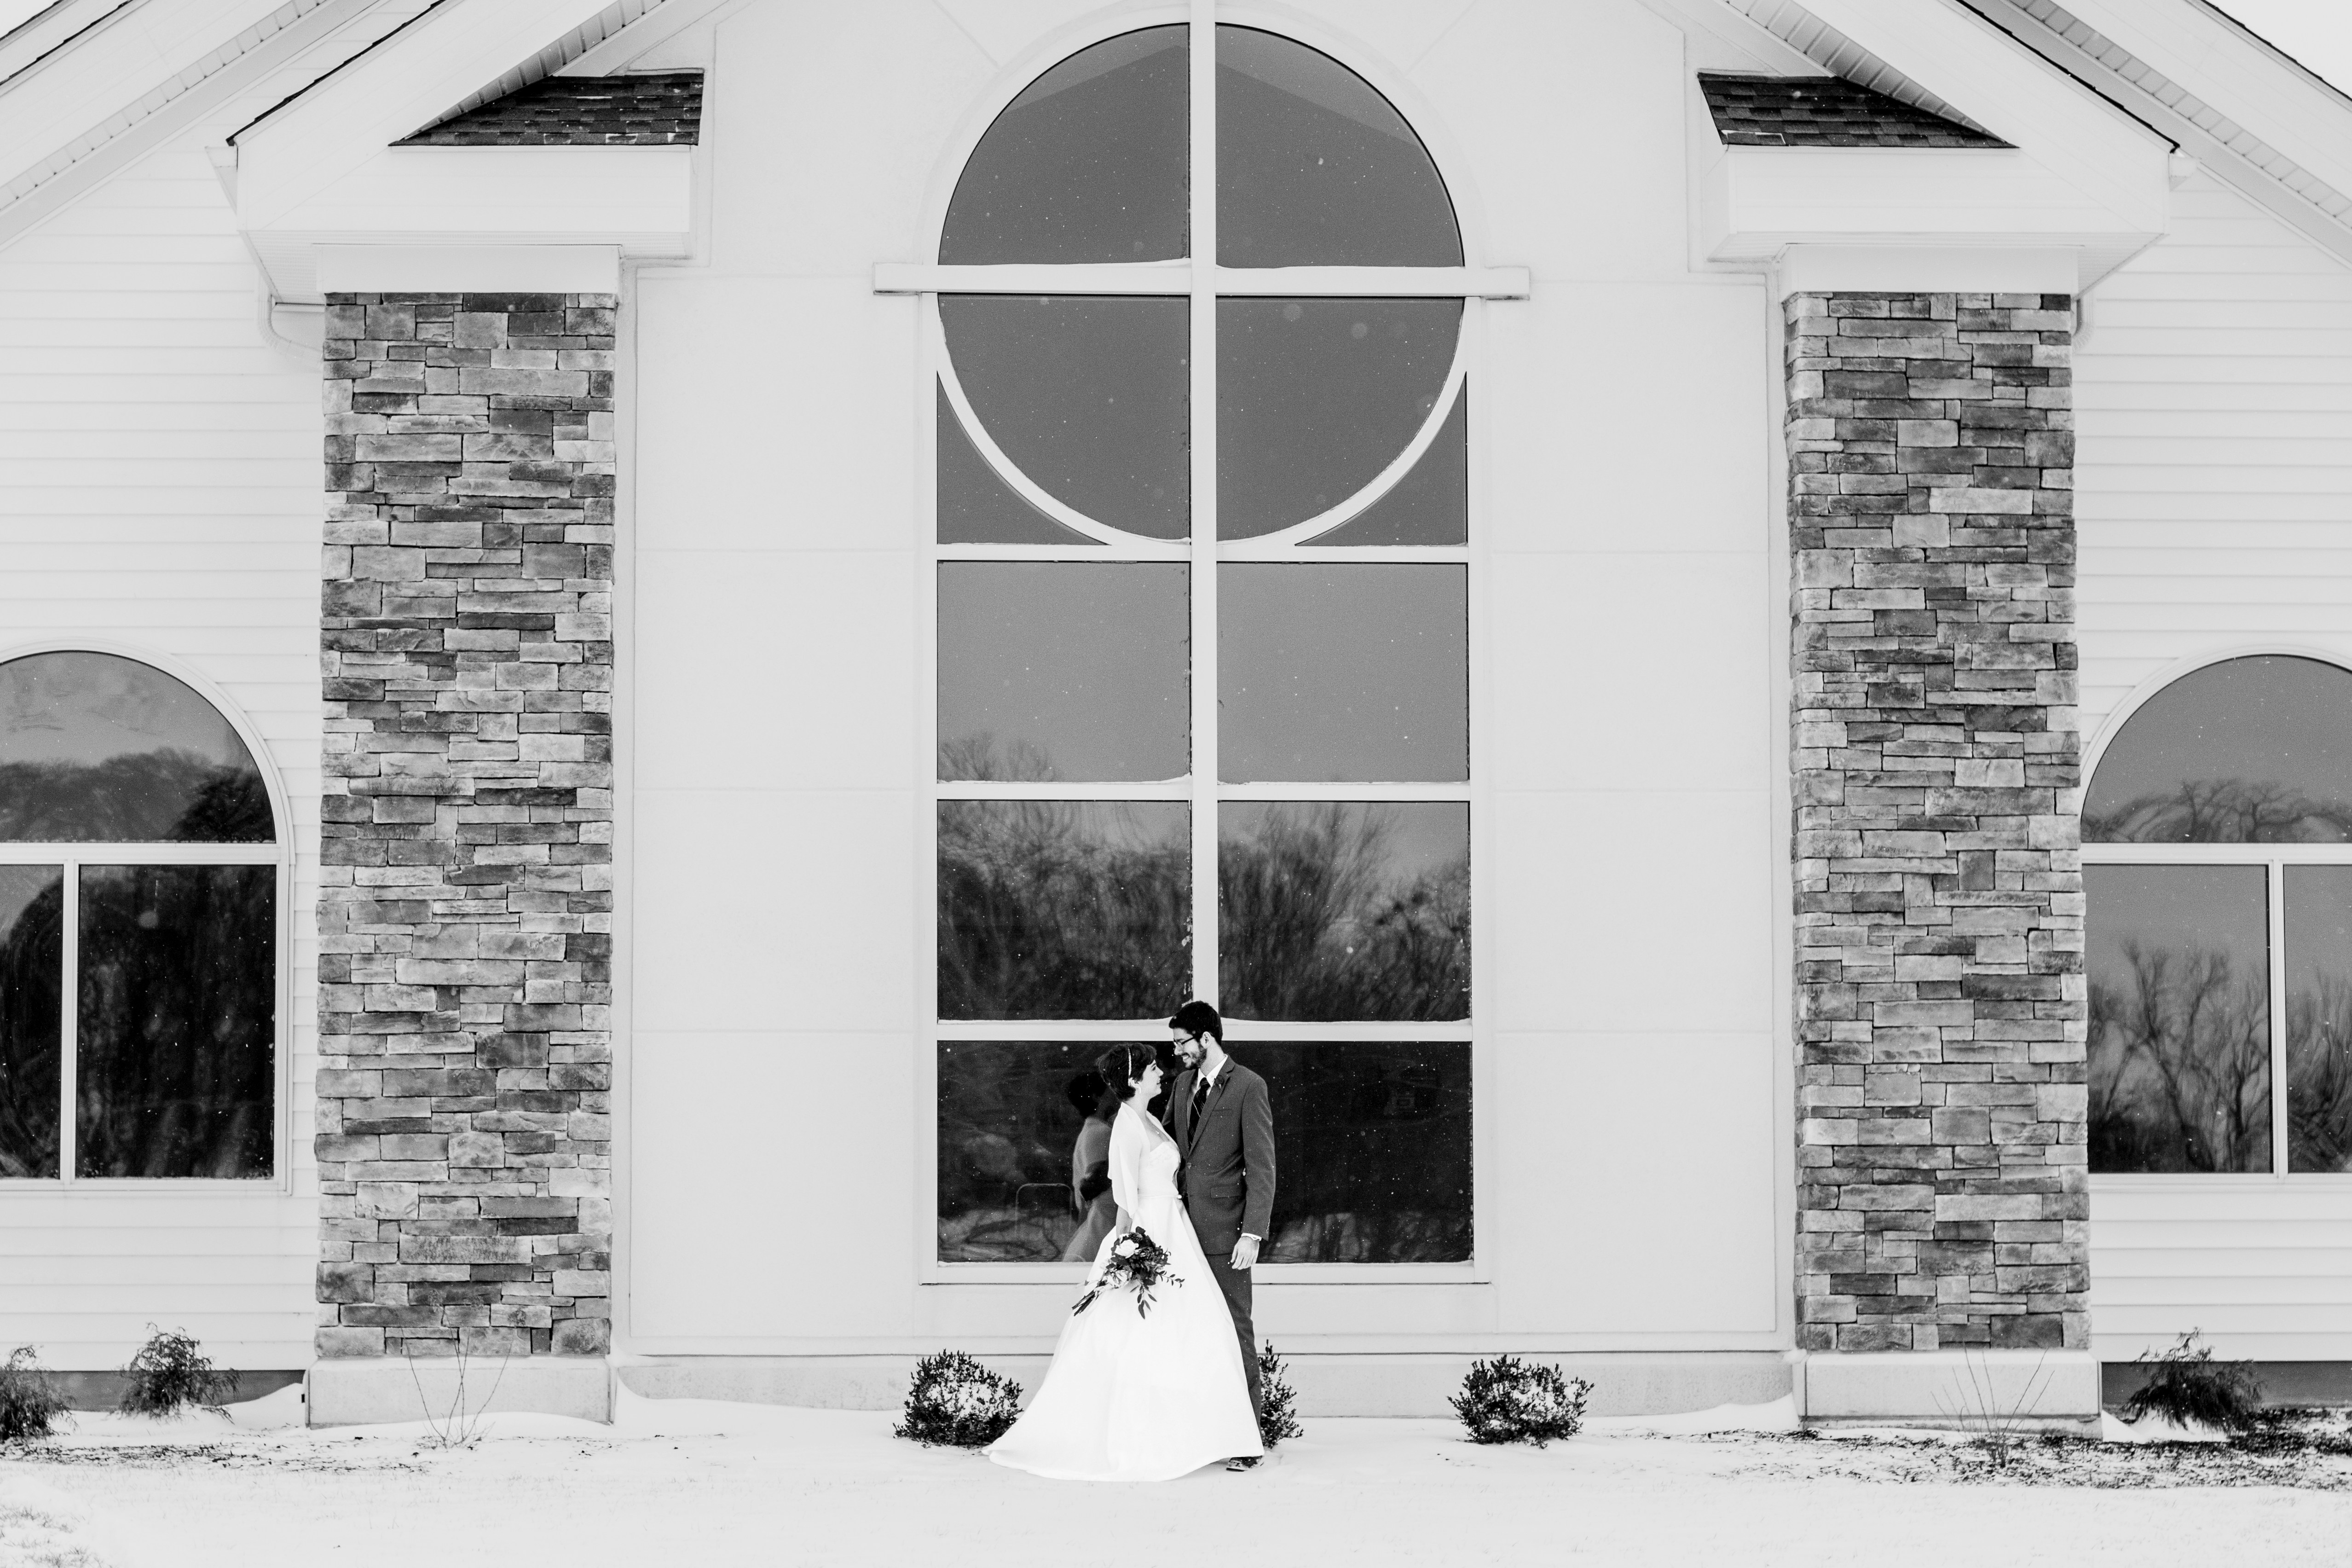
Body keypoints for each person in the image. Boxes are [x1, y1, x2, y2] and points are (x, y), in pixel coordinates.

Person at [987, 1044, 1264, 1482]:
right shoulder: (1124, 1128)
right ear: (1134, 1079)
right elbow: (1123, 1200)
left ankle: (1204, 1432)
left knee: (1193, 1330)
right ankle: (1144, 1435)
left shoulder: (1149, 1118)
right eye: (1153, 1068)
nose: (1160, 1073)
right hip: (1150, 1229)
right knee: (1142, 1334)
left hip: (1175, 1227)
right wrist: (1128, 1250)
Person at [1165, 999, 1276, 1470]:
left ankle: (1247, 1441)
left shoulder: (1249, 1086)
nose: (1177, 1052)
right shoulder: (1181, 1083)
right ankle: (1198, 1432)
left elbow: (1262, 1166)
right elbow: (1170, 1148)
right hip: (1181, 1234)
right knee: (1187, 1335)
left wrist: (1251, 1233)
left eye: (1181, 1043)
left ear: (1205, 1038)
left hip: (1226, 1234)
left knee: (1235, 1331)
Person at [1058, 1070, 1118, 1264]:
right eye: (1110, 1089)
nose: (1116, 1092)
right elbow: (1093, 1185)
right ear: (1097, 1096)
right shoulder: (1099, 1133)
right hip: (1104, 1223)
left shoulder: (1095, 1130)